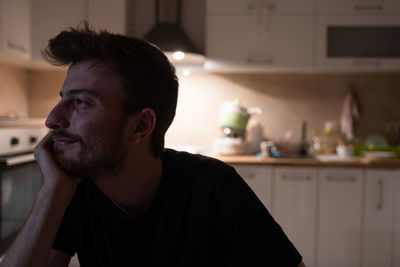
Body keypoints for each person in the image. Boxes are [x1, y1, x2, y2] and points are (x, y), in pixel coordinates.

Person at [0, 24, 306, 267]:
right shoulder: (76, 190)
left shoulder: (214, 189)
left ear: (141, 126)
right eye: (62, 99)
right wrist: (52, 192)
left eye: (80, 102)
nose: (53, 119)